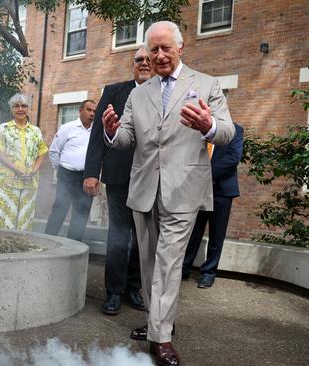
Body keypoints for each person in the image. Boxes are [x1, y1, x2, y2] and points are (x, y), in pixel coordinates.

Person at [102, 21, 235, 366]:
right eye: (153, 50)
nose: (159, 56)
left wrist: (209, 126)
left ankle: (161, 338)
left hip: (184, 189)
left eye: (165, 48)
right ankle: (155, 322)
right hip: (144, 187)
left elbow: (228, 131)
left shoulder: (206, 84)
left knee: (168, 262)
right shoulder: (139, 92)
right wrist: (112, 132)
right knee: (147, 264)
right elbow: (127, 138)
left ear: (181, 47)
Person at [83, 47, 154, 315]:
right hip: (118, 177)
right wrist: (91, 172)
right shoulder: (113, 91)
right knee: (118, 236)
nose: (144, 63)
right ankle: (113, 291)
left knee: (142, 237)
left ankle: (132, 288)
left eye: (148, 60)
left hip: (150, 178)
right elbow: (98, 134)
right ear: (133, 65)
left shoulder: (164, 92)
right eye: (139, 60)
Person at [183, 123, 244, 288]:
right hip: (197, 189)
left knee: (217, 233)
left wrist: (204, 174)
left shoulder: (235, 130)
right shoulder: (197, 129)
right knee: (194, 230)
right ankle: (184, 268)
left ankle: (209, 273)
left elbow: (233, 158)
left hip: (222, 190)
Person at [0, 93, 48, 231]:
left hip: (29, 182)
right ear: (12, 109)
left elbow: (42, 153)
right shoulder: (4, 128)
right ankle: (1, 248)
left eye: (24, 106)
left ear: (28, 109)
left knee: (25, 220)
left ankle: (21, 249)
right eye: (16, 106)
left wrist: (34, 171)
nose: (20, 109)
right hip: (7, 182)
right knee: (4, 217)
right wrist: (17, 170)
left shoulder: (36, 131)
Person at [45, 100, 97, 241]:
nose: (92, 113)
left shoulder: (97, 131)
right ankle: (48, 242)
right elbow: (54, 152)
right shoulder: (67, 128)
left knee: (82, 212)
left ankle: (73, 246)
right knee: (60, 209)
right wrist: (61, 171)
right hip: (67, 175)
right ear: (80, 111)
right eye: (88, 110)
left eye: (94, 111)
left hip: (87, 178)